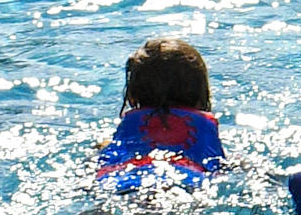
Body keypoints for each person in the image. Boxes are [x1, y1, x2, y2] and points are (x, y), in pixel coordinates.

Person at [95, 37, 225, 192]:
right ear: (201, 94)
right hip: (185, 177)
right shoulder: (204, 130)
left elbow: (106, 158)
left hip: (122, 177)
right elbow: (220, 166)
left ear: (132, 96)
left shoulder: (123, 132)